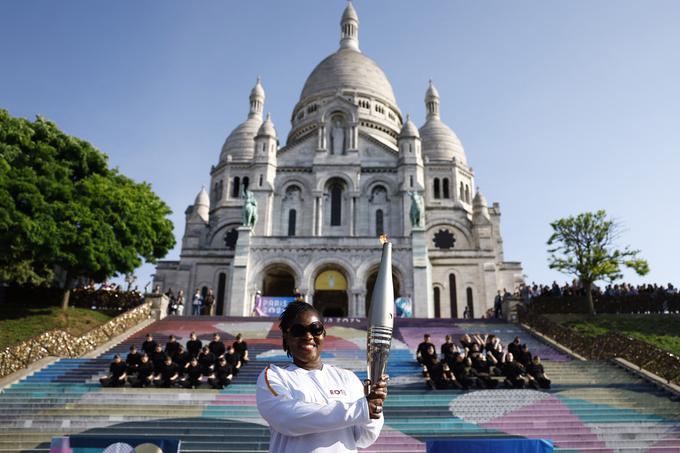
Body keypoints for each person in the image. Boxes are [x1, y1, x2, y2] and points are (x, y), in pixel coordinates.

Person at [256, 301, 386, 453]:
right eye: (298, 330)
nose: (308, 336)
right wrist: (362, 409)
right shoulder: (274, 376)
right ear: (286, 336)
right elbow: (288, 419)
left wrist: (375, 407)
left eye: (315, 329)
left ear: (324, 334)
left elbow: (364, 438)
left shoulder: (347, 378)